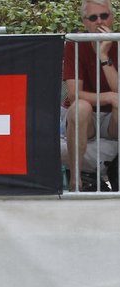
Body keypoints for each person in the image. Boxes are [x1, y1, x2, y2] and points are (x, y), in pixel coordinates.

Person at [63, 0, 118, 191]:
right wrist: (109, 97)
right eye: (93, 17)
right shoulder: (75, 44)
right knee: (81, 107)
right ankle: (75, 181)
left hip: (113, 119)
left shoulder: (118, 41)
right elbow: (74, 95)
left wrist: (104, 56)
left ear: (112, 18)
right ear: (85, 22)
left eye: (104, 16)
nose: (99, 21)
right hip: (86, 119)